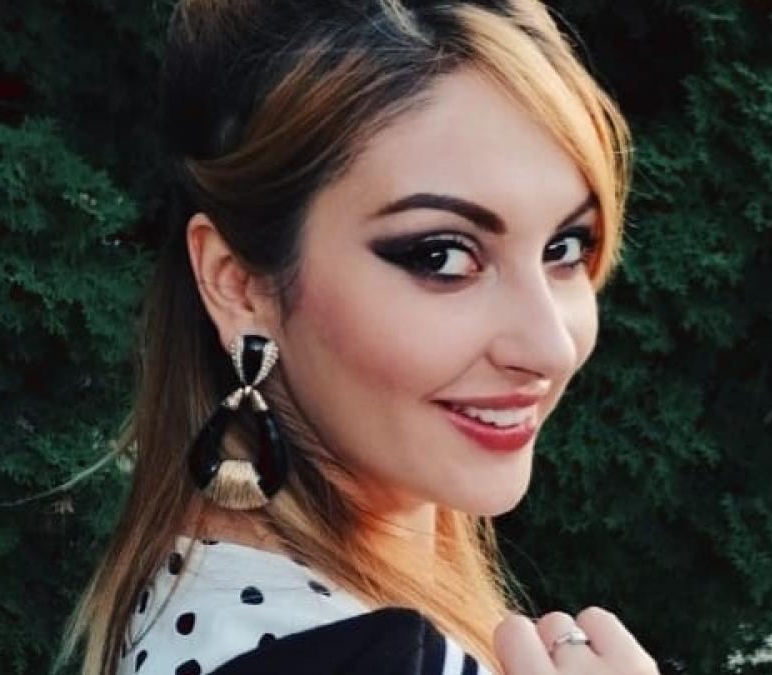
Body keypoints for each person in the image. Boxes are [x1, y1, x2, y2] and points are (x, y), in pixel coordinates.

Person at [59, 1, 659, 673]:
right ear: (239, 285)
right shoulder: (367, 657)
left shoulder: (208, 592)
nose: (551, 347)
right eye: (441, 256)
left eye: (566, 248)